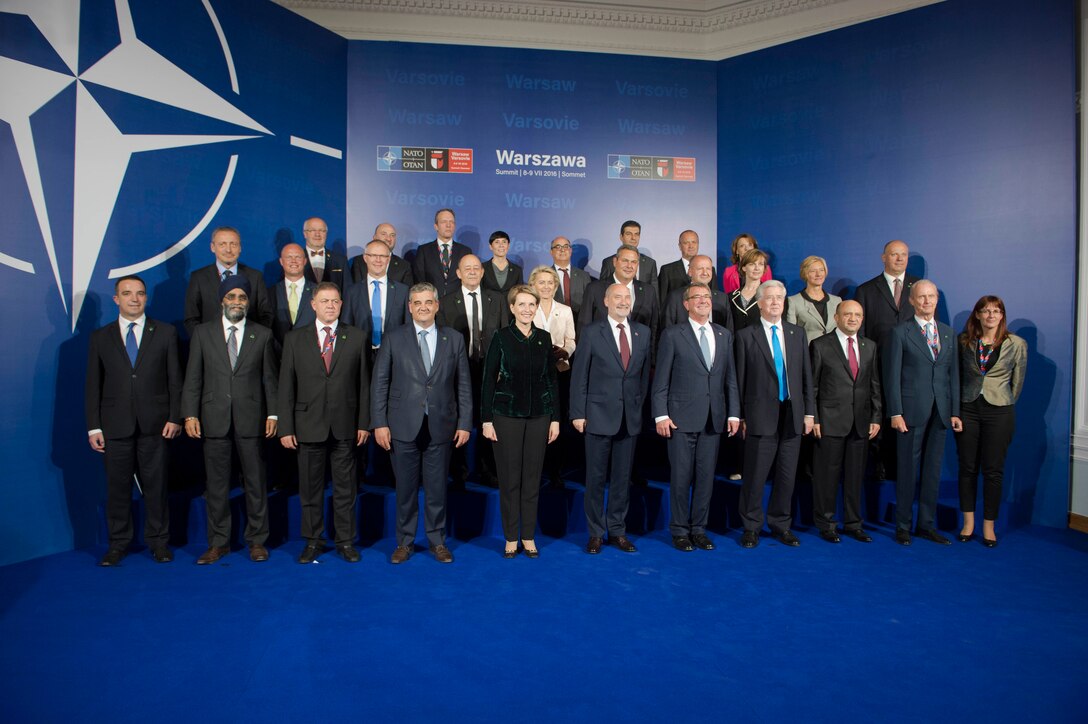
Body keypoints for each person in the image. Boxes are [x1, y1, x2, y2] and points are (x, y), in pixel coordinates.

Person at [372, 283, 473, 564]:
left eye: (428, 302)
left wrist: (465, 423)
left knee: (437, 488)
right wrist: (379, 423)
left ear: (437, 305)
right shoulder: (393, 338)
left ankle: (437, 540)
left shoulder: (453, 339)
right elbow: (380, 383)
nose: (423, 307)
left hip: (441, 425)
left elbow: (463, 384)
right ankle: (404, 542)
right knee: (405, 489)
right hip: (402, 425)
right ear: (410, 306)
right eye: (417, 303)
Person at [181, 276, 279, 563]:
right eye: (231, 297)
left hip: (252, 417)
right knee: (216, 485)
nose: (237, 302)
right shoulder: (203, 333)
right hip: (214, 418)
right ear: (222, 300)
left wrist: (273, 412)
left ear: (248, 302)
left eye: (242, 297)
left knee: (255, 482)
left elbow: (269, 378)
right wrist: (190, 413)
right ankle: (218, 542)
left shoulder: (261, 334)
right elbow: (193, 377)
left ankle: (257, 541)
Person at [85, 275, 182, 566]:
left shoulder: (164, 333)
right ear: (116, 299)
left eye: (140, 293)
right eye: (127, 294)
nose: (134, 299)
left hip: (156, 424)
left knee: (156, 487)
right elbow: (93, 385)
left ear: (146, 298)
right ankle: (118, 544)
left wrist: (175, 416)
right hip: (114, 426)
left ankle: (159, 543)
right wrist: (94, 426)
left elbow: (175, 379)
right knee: (117, 489)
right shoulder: (100, 337)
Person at [278, 282, 370, 563]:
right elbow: (285, 386)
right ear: (313, 305)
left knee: (346, 489)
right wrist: (286, 427)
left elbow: (363, 383)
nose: (330, 305)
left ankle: (345, 541)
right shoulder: (295, 339)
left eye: (335, 301)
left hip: (345, 426)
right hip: (308, 425)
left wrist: (364, 423)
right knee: (310, 489)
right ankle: (313, 541)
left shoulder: (356, 337)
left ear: (341, 305)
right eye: (325, 301)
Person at [652, 283, 740, 552]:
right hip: (679, 419)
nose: (703, 300)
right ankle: (679, 530)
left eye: (707, 296)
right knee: (681, 477)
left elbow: (730, 379)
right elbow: (661, 379)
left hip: (714, 418)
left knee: (705, 477)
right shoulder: (672, 334)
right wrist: (660, 415)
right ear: (686, 304)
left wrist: (734, 413)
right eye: (696, 297)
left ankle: (699, 529)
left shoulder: (724, 335)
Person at [570, 284, 651, 554]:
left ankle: (617, 530)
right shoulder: (593, 333)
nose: (623, 301)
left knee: (621, 479)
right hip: (597, 417)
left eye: (627, 297)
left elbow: (643, 378)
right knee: (595, 478)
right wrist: (578, 413)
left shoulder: (643, 332)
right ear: (606, 301)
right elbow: (579, 375)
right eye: (618, 297)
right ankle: (595, 532)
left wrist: (639, 408)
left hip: (630, 419)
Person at [733, 280, 814, 548]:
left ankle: (781, 524)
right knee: (755, 476)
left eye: (780, 297)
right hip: (759, 416)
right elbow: (740, 380)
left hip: (792, 414)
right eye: (770, 298)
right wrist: (741, 416)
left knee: (787, 475)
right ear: (759, 303)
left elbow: (806, 377)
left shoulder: (796, 334)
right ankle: (751, 527)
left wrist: (809, 413)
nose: (776, 302)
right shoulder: (746, 336)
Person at [481, 285, 560, 558]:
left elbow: (551, 380)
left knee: (532, 479)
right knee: (510, 479)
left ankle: (528, 536)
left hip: (540, 416)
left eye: (531, 304)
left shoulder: (544, 338)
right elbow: (488, 379)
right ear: (512, 308)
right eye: (521, 304)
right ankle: (511, 537)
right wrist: (486, 420)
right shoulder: (501, 337)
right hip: (506, 417)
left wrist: (556, 418)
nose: (527, 309)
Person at [882, 279, 962, 546]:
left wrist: (954, 411)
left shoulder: (948, 333)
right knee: (907, 470)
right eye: (921, 297)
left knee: (932, 471)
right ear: (912, 301)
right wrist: (895, 411)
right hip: (910, 413)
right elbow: (891, 376)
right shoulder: (900, 332)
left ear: (937, 300)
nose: (927, 301)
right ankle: (903, 526)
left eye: (931, 297)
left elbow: (953, 376)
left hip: (941, 412)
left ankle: (926, 525)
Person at [955, 295, 1026, 547]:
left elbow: (1017, 383)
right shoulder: (964, 342)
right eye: (985, 311)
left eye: (996, 311)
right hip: (968, 409)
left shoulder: (1016, 343)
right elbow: (958, 378)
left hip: (1000, 410)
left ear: (1002, 315)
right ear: (977, 315)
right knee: (967, 468)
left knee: (993, 471)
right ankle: (968, 523)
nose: (991, 315)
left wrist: (1002, 399)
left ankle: (988, 526)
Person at [809, 300, 881, 543]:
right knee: (826, 476)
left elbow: (874, 385)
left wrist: (876, 416)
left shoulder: (869, 346)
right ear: (837, 318)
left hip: (861, 422)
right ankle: (827, 523)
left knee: (855, 476)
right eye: (847, 314)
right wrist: (815, 417)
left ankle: (853, 523)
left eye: (857, 315)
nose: (853, 318)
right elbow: (813, 387)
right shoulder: (820, 345)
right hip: (829, 421)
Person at [437, 254, 508, 488]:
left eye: (476, 268)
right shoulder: (446, 302)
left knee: (489, 423)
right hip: (458, 372)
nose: (472, 272)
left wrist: (502, 368)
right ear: (458, 273)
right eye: (467, 268)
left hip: (490, 371)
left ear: (482, 272)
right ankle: (459, 471)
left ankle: (487, 471)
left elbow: (505, 335)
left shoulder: (496, 299)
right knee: (459, 422)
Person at [530, 265, 577, 488]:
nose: (546, 286)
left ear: (555, 286)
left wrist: (566, 352)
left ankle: (556, 471)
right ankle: (535, 471)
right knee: (536, 423)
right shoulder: (526, 309)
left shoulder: (565, 310)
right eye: (542, 282)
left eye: (550, 283)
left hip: (559, 372)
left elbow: (572, 341)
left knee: (556, 423)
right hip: (533, 375)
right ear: (533, 285)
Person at [183, 226, 272, 336]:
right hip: (211, 348)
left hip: (248, 348)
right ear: (212, 247)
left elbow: (266, 315)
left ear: (240, 248)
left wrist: (254, 343)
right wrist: (205, 344)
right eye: (222, 244)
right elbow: (191, 318)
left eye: (233, 244)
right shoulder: (199, 278)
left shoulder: (255, 277)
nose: (228, 250)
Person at [340, 239, 409, 365]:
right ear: (365, 258)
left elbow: (407, 327)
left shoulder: (402, 291)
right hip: (360, 357)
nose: (378, 260)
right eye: (374, 255)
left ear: (388, 259)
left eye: (383, 256)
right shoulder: (352, 292)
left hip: (394, 357)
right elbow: (346, 327)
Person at [578, 244, 660, 348]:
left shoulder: (649, 291)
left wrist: (652, 361)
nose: (629, 266)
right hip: (602, 358)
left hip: (638, 360)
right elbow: (584, 326)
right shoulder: (594, 289)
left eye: (634, 262)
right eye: (625, 261)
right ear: (615, 262)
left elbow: (654, 327)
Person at [662, 254, 733, 330]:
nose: (705, 273)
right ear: (690, 272)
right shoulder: (675, 297)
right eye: (700, 269)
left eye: (708, 269)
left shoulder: (722, 298)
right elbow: (667, 330)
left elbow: (729, 330)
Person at [411, 208, 471, 297]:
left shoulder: (465, 251)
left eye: (452, 222)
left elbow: (468, 279)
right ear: (436, 226)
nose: (448, 225)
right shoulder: (424, 250)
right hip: (432, 302)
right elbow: (420, 279)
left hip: (457, 303)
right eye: (444, 222)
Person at [269, 243, 316, 349]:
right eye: (289, 257)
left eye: (298, 257)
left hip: (310, 354)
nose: (294, 261)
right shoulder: (271, 292)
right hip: (279, 355)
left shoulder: (318, 292)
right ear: (281, 261)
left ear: (305, 261)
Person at [786, 255, 840, 340]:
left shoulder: (837, 301)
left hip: (834, 351)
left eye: (821, 270)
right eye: (813, 271)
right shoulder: (793, 301)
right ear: (805, 273)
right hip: (808, 351)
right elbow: (791, 334)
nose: (818, 274)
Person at [658, 229, 718, 301]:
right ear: (680, 246)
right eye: (686, 243)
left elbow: (714, 296)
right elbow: (662, 299)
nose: (691, 246)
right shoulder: (667, 270)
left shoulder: (710, 270)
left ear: (698, 244)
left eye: (694, 242)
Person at [598, 220, 659, 287]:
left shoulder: (650, 263)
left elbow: (654, 294)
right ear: (621, 237)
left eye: (636, 234)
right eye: (628, 234)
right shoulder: (608, 262)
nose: (633, 238)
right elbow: (602, 288)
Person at [550, 235, 593, 317]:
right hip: (553, 322)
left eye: (566, 247)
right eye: (558, 247)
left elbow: (589, 304)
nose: (562, 250)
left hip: (579, 323)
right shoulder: (545, 275)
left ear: (570, 251)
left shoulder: (584, 276)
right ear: (551, 252)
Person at [300, 217, 347, 290]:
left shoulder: (340, 261)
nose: (317, 234)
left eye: (322, 230)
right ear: (305, 234)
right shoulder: (297, 259)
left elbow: (348, 292)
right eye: (313, 230)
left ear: (326, 234)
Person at [729, 248, 769, 332]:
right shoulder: (731, 297)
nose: (757, 268)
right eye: (752, 264)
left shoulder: (769, 295)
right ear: (744, 267)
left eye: (761, 264)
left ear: (764, 269)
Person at [481, 230, 524, 295]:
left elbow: (520, 294)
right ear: (490, 246)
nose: (501, 245)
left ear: (508, 245)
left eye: (504, 242)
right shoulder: (482, 268)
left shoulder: (517, 270)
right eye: (497, 242)